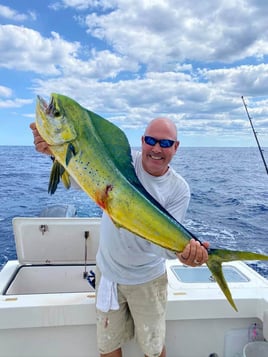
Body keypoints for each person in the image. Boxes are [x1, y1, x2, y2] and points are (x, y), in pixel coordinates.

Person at [30, 118, 209, 357]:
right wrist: (56, 154)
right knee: (108, 346)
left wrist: (183, 254)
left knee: (154, 350)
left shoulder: (179, 189)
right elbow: (77, 180)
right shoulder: (120, 163)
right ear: (142, 142)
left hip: (148, 281)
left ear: (176, 147)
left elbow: (158, 248)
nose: (156, 149)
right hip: (108, 275)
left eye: (165, 143)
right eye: (150, 140)